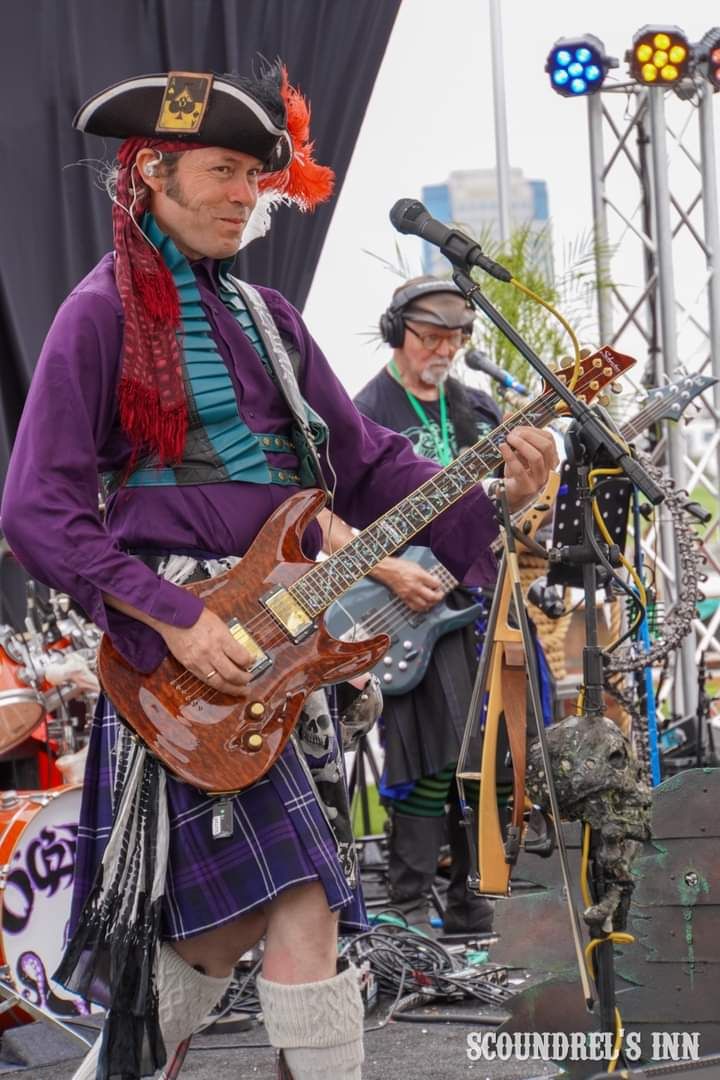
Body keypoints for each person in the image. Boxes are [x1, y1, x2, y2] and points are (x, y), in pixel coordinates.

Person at [0, 64, 556, 1080]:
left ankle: (116, 1063)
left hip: (286, 646)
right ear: (152, 174)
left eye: (255, 176)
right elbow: (37, 508)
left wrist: (496, 495)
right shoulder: (97, 314)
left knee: (228, 929)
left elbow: (371, 464)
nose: (245, 194)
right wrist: (173, 616)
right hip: (180, 656)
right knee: (303, 898)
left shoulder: (270, 317)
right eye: (221, 171)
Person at [348, 277, 554, 935]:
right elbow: (325, 517)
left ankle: (479, 902)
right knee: (429, 757)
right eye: (431, 336)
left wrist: (531, 493)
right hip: (405, 607)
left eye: (455, 338)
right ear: (396, 332)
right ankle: (408, 908)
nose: (444, 349)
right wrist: (389, 569)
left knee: (501, 751)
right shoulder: (364, 412)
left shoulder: (481, 410)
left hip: (484, 599)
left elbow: (513, 508)